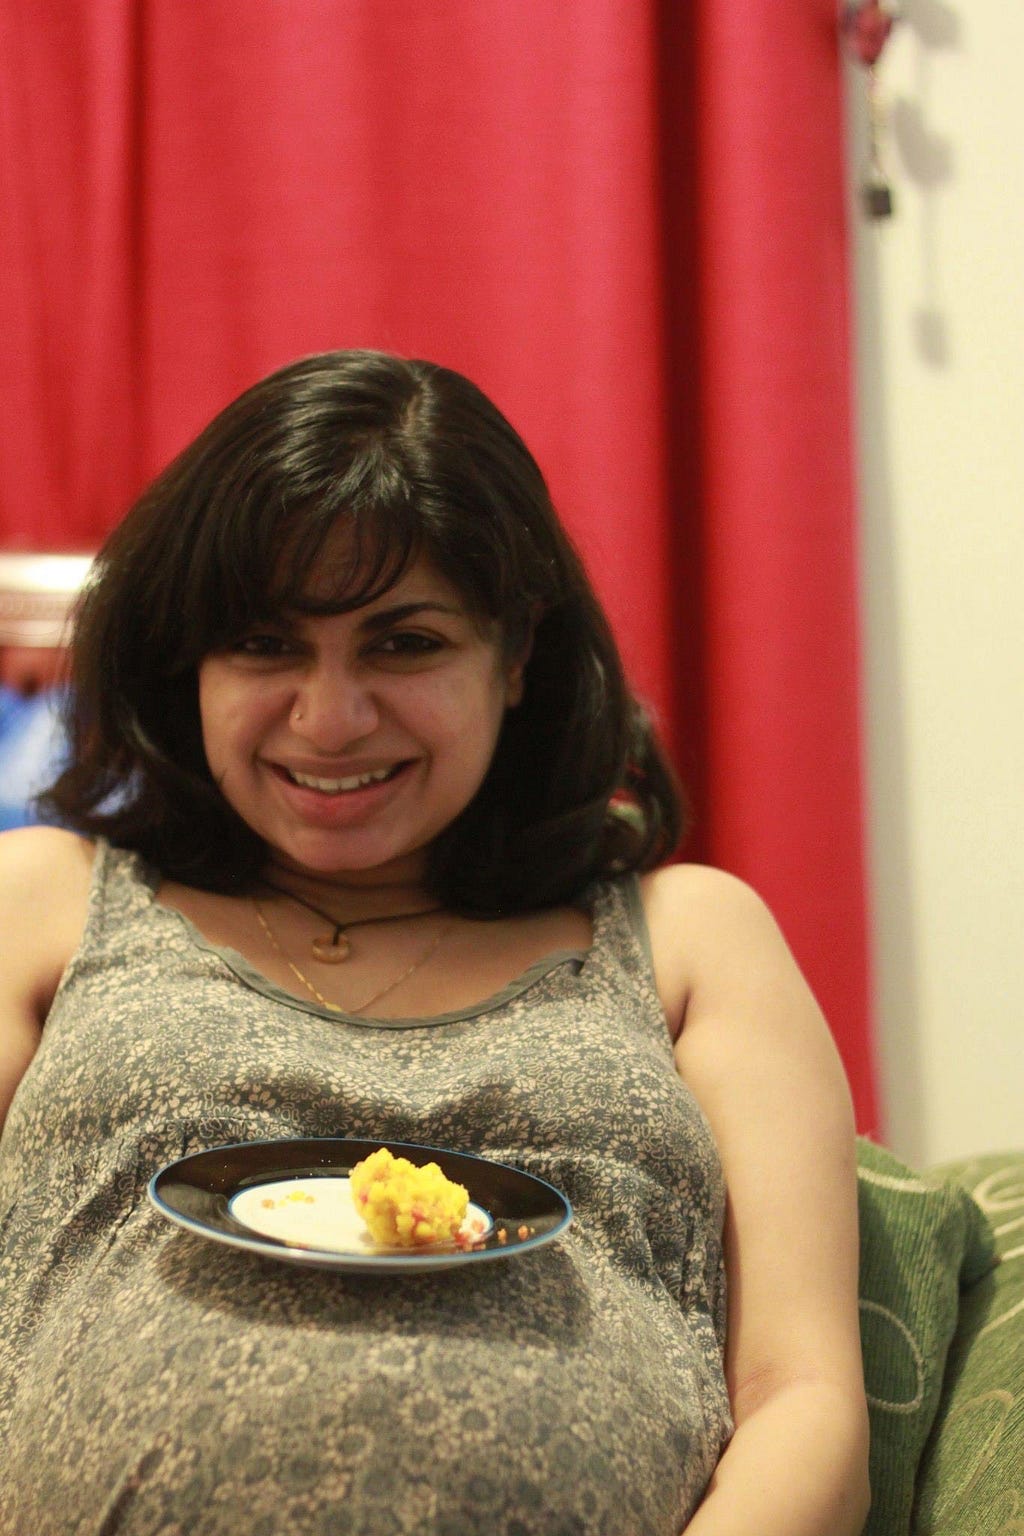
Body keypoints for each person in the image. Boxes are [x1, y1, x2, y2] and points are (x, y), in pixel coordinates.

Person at [0, 350, 869, 1536]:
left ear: (513, 660)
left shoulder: (691, 937)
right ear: (185, 661)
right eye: (265, 644)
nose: (330, 716)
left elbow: (802, 1398)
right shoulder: (41, 898)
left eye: (403, 644)